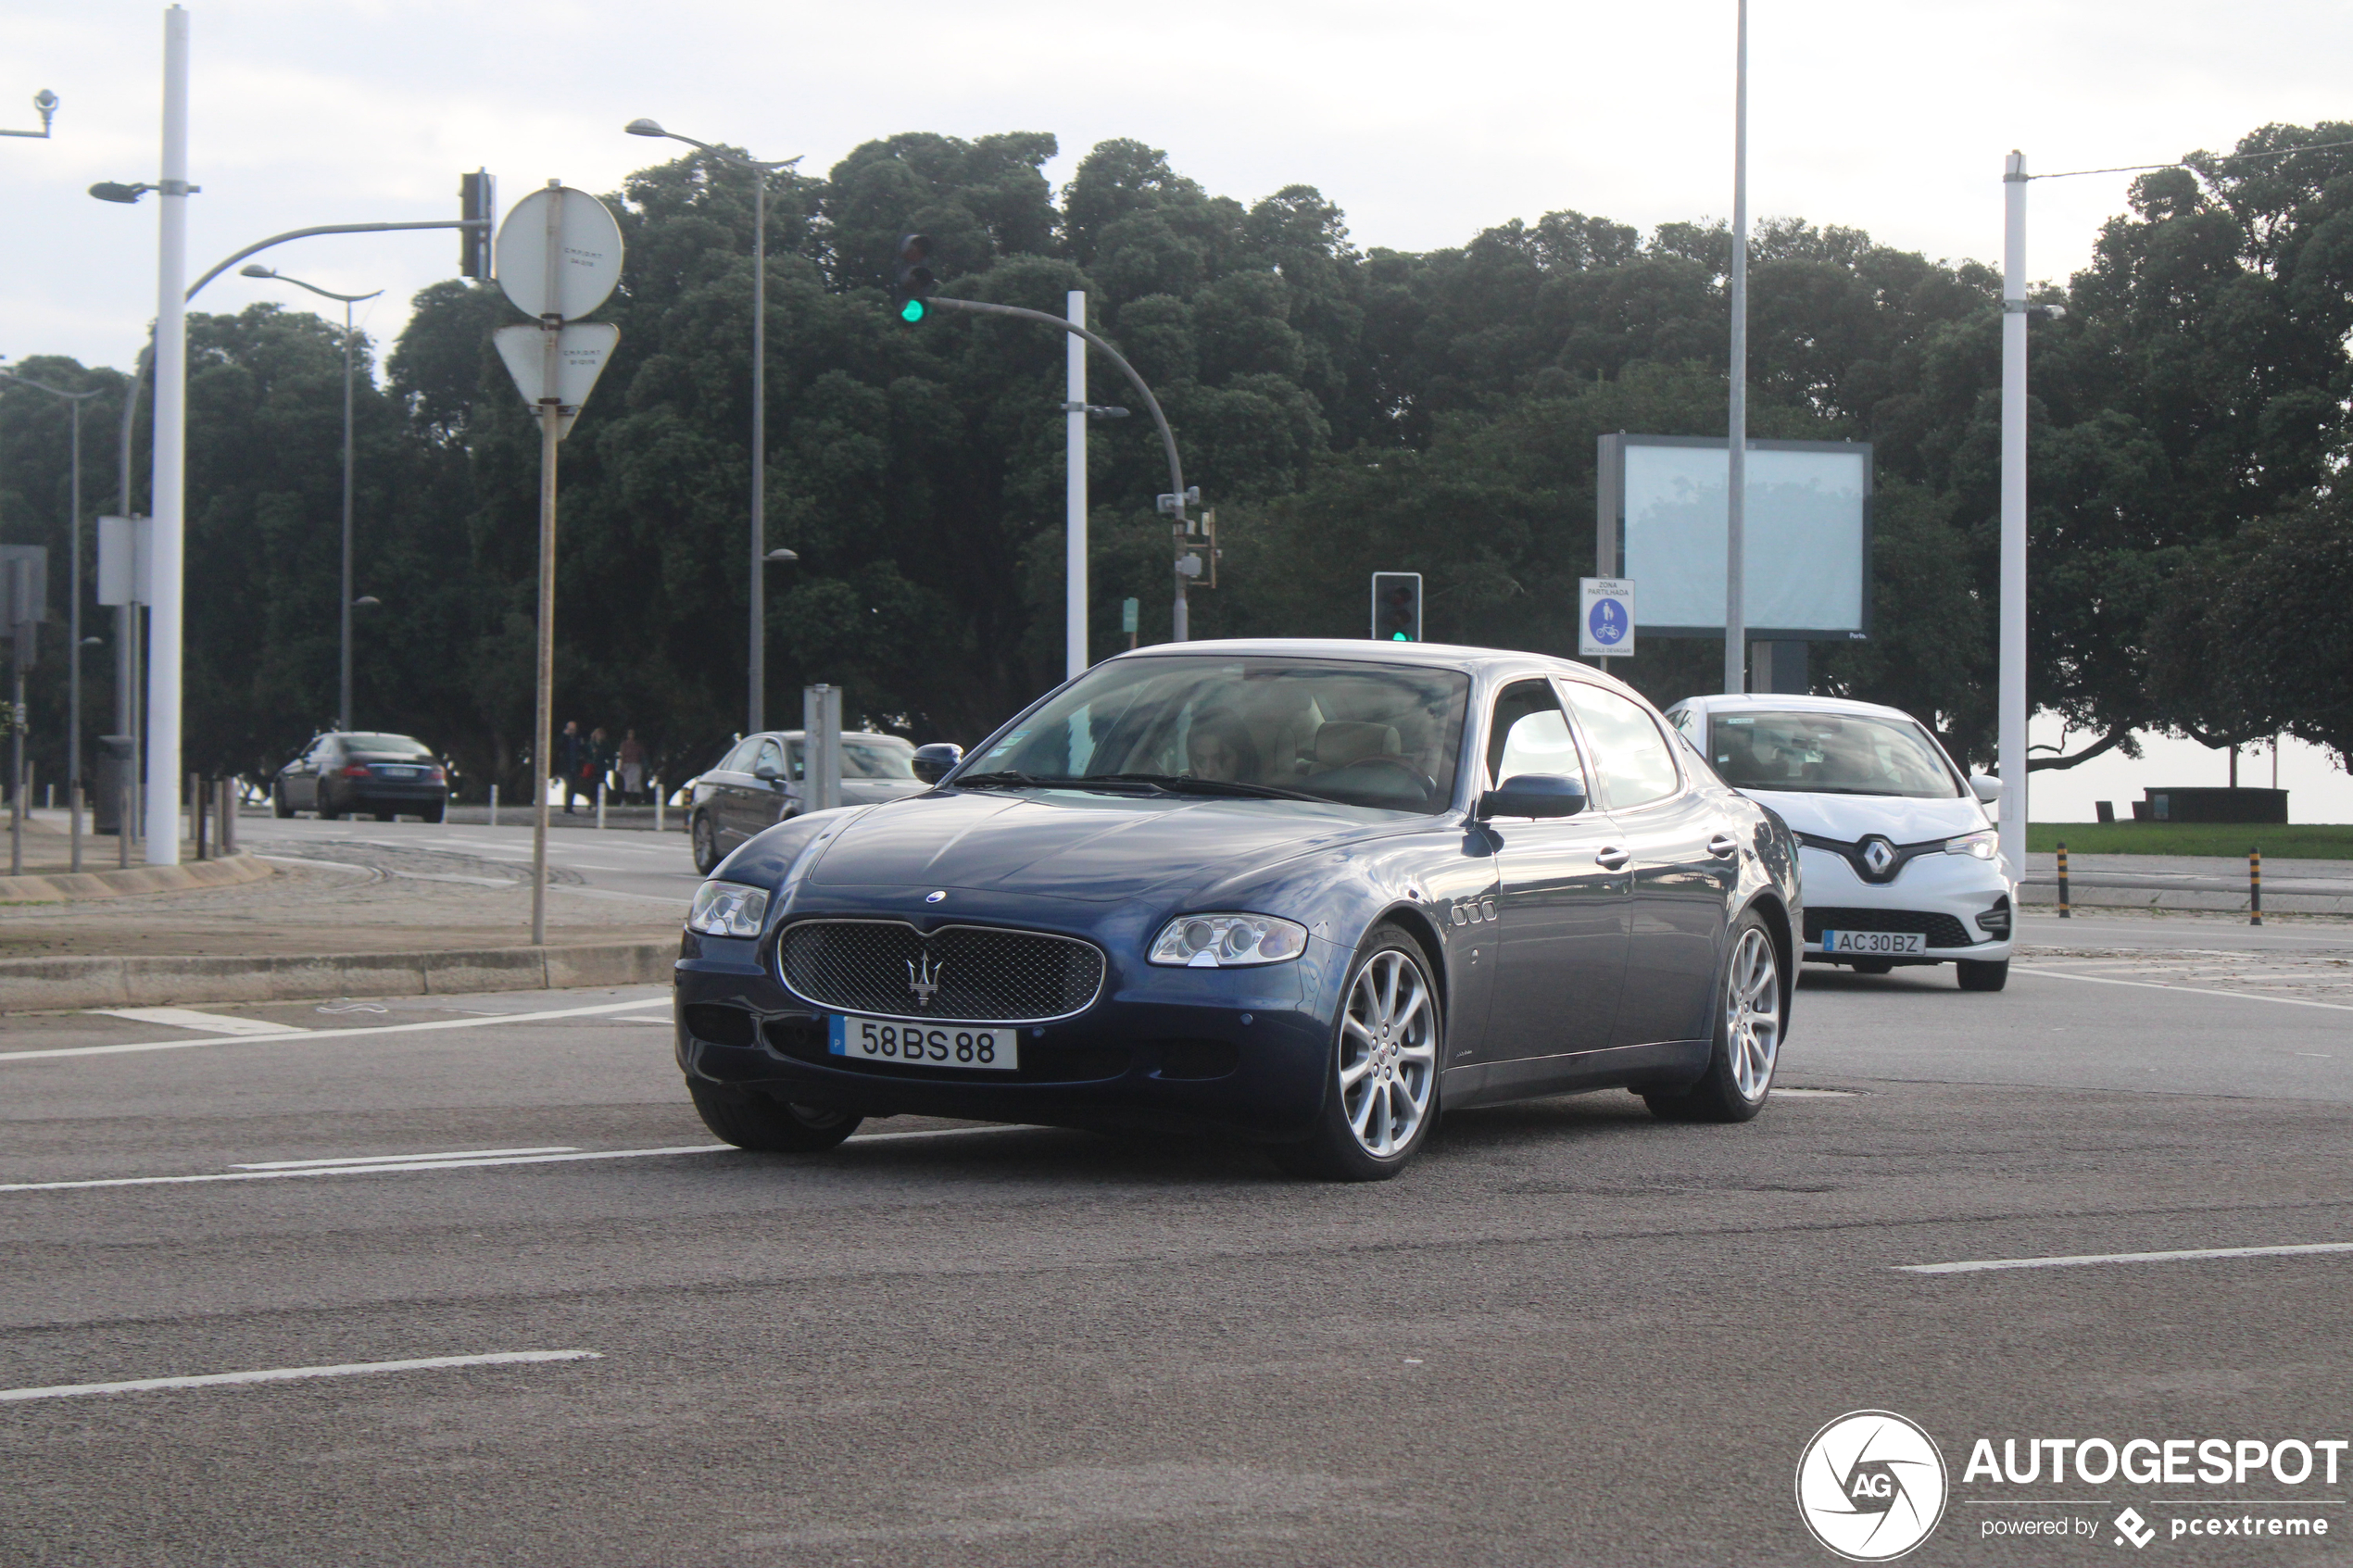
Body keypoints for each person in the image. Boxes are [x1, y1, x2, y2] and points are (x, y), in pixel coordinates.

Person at [1185, 712, 1260, 784]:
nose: (1209, 771)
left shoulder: (1266, 794)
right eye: (1200, 760)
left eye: (1220, 759)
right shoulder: (1179, 792)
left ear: (1242, 759)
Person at [557, 721, 589, 814]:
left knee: (573, 787)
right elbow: (558, 746)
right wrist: (564, 735)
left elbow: (584, 750)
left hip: (575, 766)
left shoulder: (578, 739)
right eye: (570, 729)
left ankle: (569, 807)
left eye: (574, 729)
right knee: (569, 784)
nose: (572, 731)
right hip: (565, 767)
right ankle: (567, 807)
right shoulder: (564, 738)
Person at [619, 730, 648, 806]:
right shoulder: (624, 744)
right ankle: (625, 800)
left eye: (632, 734)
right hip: (627, 765)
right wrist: (620, 766)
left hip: (636, 765)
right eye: (629, 733)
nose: (631, 735)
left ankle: (639, 800)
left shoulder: (638, 745)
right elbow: (621, 756)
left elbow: (642, 756)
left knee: (636, 783)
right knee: (628, 783)